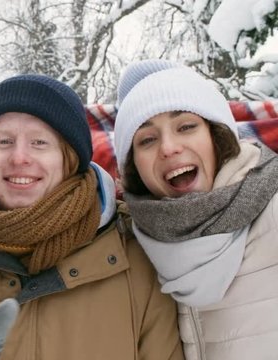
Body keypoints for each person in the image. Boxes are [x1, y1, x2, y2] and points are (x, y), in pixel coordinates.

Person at [0, 74, 184, 359]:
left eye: (39, 142)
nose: (19, 158)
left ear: (70, 159)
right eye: (3, 141)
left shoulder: (135, 256)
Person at [114, 59, 278, 360]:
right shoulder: (129, 246)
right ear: (134, 165)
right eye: (147, 139)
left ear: (216, 137)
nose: (168, 148)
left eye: (186, 126)